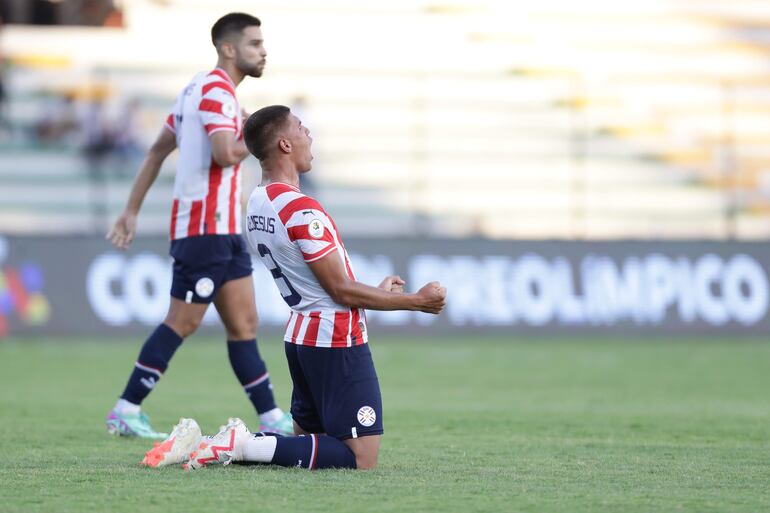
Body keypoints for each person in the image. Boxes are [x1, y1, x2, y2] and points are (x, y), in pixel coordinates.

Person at [141, 105, 447, 470]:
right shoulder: (301, 210)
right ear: (285, 144)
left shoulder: (257, 202)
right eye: (302, 128)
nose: (309, 135)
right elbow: (340, 290)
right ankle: (241, 444)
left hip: (302, 335)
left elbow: (317, 280)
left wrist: (375, 291)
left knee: (305, 443)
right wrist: (415, 302)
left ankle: (208, 442)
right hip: (335, 338)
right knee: (361, 456)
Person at [105, 13, 293, 439]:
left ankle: (271, 418)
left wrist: (130, 210)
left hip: (225, 229)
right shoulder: (214, 90)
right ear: (228, 49)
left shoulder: (197, 88)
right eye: (254, 43)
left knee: (244, 325)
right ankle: (125, 409)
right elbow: (225, 154)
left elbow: (156, 152)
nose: (263, 51)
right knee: (182, 322)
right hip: (203, 227)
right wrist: (259, 135)